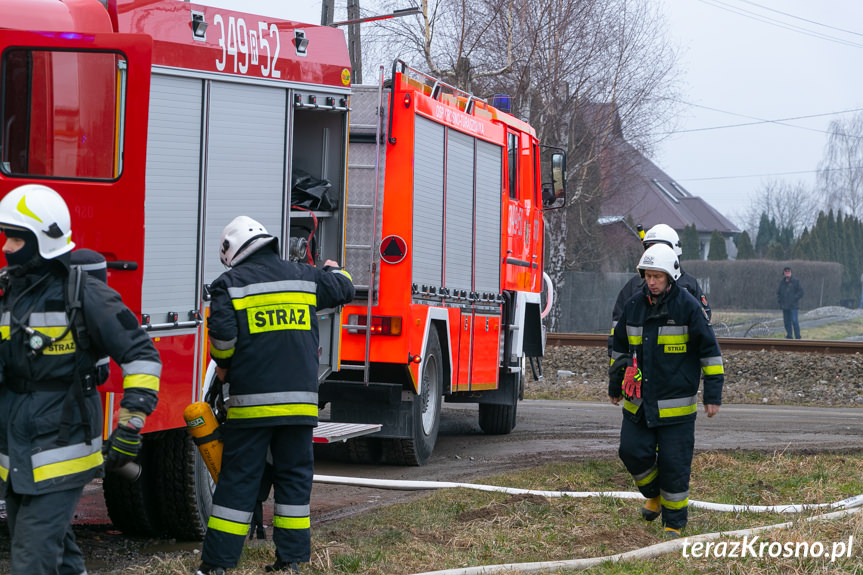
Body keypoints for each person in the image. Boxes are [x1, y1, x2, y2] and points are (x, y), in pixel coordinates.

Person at [0, 184, 161, 575]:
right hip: (16, 454)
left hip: (62, 449)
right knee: (58, 553)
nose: (6, 247)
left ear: (44, 240)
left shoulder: (86, 295)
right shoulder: (10, 295)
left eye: (17, 238)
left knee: (31, 559)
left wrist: (129, 425)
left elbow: (143, 356)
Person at [197, 216, 354, 575]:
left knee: (237, 483)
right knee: (294, 482)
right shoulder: (304, 276)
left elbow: (222, 342)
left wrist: (224, 371)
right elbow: (344, 287)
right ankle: (291, 562)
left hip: (251, 408)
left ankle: (217, 566)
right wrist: (336, 269)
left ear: (233, 254)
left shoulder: (229, 285)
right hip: (300, 406)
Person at [608, 243, 724, 538]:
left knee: (674, 465)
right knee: (631, 452)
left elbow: (709, 352)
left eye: (657, 276)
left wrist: (713, 395)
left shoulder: (688, 308)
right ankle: (654, 495)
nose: (652, 281)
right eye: (647, 275)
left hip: (677, 411)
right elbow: (619, 347)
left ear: (670, 276)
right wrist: (615, 384)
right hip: (638, 406)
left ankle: (674, 524)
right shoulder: (633, 305)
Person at [609, 224, 710, 355]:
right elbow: (618, 327)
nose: (652, 282)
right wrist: (617, 358)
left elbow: (704, 323)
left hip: (680, 362)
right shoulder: (634, 286)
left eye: (657, 277)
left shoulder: (689, 285)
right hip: (641, 361)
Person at [777, 266, 803, 339]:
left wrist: (794, 298)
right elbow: (778, 293)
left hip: (793, 306)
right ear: (784, 273)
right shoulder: (782, 282)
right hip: (785, 306)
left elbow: (801, 292)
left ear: (791, 272)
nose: (787, 273)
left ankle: (798, 337)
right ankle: (789, 336)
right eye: (786, 271)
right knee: (786, 322)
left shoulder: (796, 281)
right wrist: (780, 302)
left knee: (794, 321)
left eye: (789, 271)